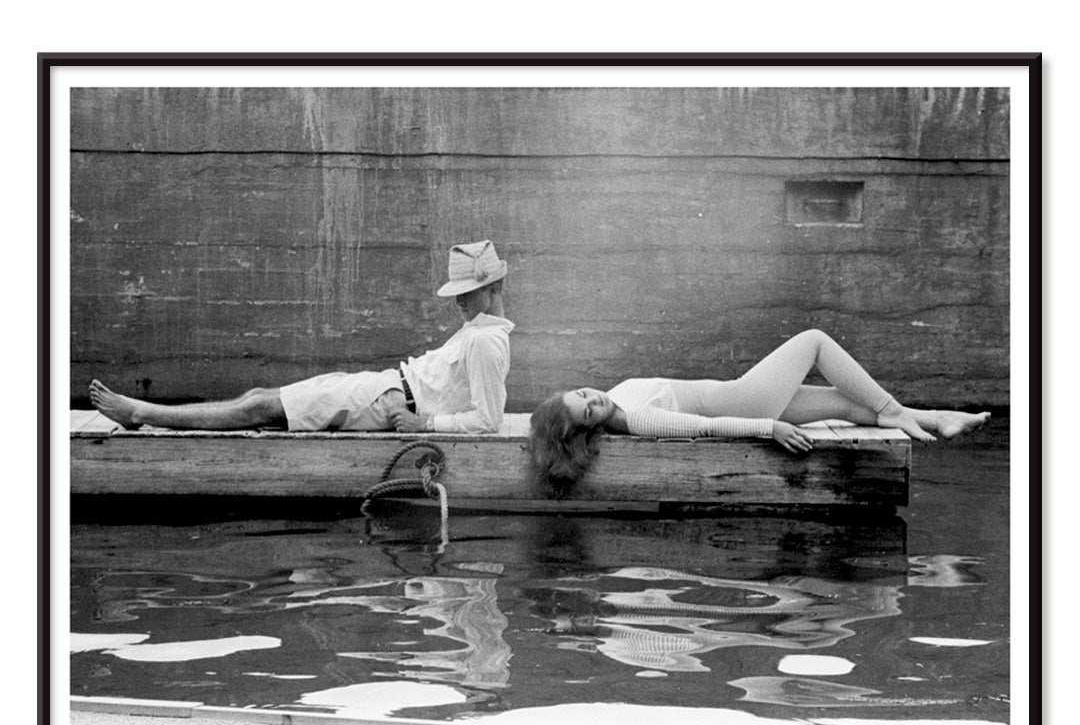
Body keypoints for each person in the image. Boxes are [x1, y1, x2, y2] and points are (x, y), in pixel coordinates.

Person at [89, 240, 515, 434]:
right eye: (457, 293)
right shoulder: (477, 330)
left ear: (494, 289)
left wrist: (426, 425)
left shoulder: (484, 342)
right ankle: (145, 412)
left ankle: (141, 413)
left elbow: (489, 421)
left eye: (468, 293)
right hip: (384, 387)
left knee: (258, 406)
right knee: (259, 394)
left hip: (390, 402)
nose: (458, 302)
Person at [527, 328, 990, 497]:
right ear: (587, 430)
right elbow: (707, 428)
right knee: (814, 341)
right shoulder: (636, 419)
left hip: (740, 394)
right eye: (588, 413)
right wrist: (770, 426)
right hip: (748, 401)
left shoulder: (613, 398)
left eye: (584, 394)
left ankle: (935, 418)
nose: (595, 401)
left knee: (846, 404)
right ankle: (897, 410)